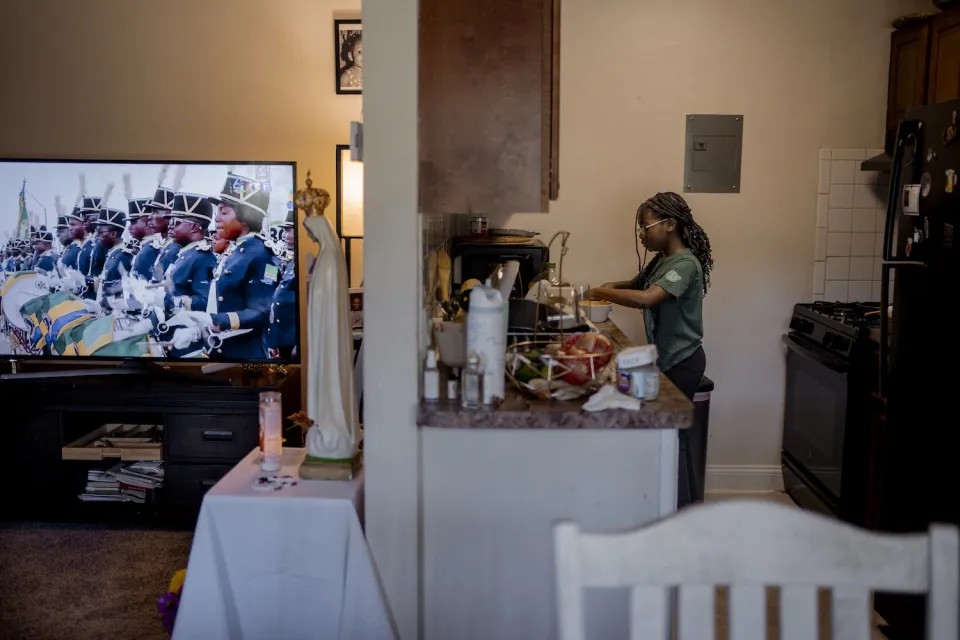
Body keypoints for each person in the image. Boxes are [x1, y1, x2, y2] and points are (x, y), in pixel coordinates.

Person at [588, 192, 712, 400]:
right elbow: (636, 284)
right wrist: (610, 286)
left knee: (672, 424)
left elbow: (647, 298)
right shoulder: (662, 259)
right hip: (667, 357)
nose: (641, 234)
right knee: (666, 424)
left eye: (645, 227)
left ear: (670, 224)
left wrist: (598, 292)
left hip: (683, 361)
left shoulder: (685, 265)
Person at [185, 173, 276, 359]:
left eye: (224, 212)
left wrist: (217, 321)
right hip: (223, 351)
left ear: (245, 218)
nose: (216, 218)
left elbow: (262, 312)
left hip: (246, 358)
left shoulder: (261, 254)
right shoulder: (236, 250)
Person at [165, 193, 218, 313]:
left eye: (175, 222)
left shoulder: (203, 257)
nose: (170, 227)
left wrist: (171, 301)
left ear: (194, 227)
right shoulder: (186, 253)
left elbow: (206, 300)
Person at [265, 209, 298, 359]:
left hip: (295, 335)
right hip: (277, 334)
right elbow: (268, 287)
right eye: (283, 231)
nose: (284, 235)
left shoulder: (307, 261)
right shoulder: (275, 258)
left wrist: (301, 343)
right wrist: (271, 340)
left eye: (288, 230)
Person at [96, 207, 134, 300]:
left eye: (100, 232)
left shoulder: (123, 256)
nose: (97, 235)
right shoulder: (113, 254)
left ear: (113, 234)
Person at [146, 183, 180, 281]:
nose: (150, 217)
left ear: (170, 214)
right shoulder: (166, 245)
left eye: (155, 212)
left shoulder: (174, 248)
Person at [76, 195, 102, 298]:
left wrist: (84, 280)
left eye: (86, 216)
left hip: (96, 299)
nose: (82, 221)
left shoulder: (103, 243)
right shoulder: (89, 242)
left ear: (98, 216)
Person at [128, 196, 159, 280]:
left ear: (147, 223)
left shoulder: (149, 249)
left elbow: (143, 281)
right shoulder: (145, 247)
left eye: (133, 222)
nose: (129, 227)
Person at [59, 205, 86, 271]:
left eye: (73, 225)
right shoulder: (72, 248)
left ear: (84, 224)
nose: (69, 228)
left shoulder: (85, 246)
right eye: (69, 225)